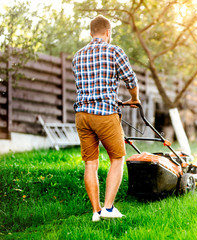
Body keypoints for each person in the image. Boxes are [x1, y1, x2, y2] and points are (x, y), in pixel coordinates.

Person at [72, 15, 140, 222]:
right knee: (117, 158)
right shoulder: (114, 51)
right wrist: (134, 99)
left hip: (82, 115)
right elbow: (130, 79)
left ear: (91, 32)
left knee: (90, 164)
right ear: (108, 32)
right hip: (104, 114)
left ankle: (96, 212)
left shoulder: (78, 55)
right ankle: (108, 209)